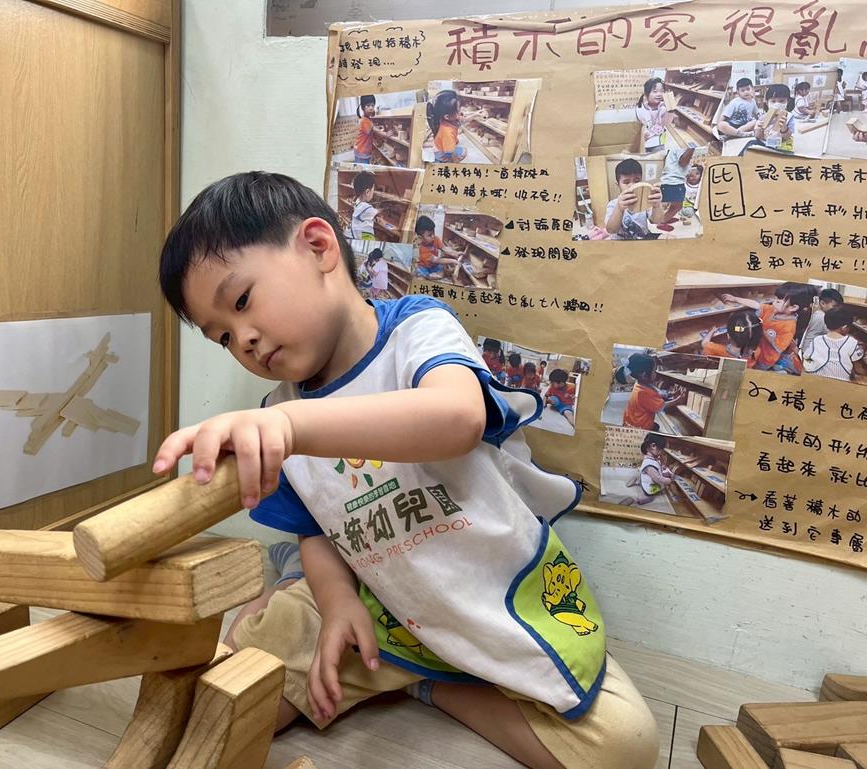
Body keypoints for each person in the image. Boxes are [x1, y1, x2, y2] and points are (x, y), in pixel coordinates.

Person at [154, 171, 658, 769]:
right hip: (372, 602)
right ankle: (355, 641)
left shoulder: (416, 329)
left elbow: (457, 419)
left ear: (318, 246)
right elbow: (316, 527)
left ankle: (430, 684)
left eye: (241, 303)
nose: (244, 340)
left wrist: (292, 427)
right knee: (232, 684)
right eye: (222, 337)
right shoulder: (278, 409)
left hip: (482, 591)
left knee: (625, 746)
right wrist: (336, 603)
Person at [721, 282, 814, 374]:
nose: (773, 302)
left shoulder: (789, 326)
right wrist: (735, 299)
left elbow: (778, 348)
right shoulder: (772, 309)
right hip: (756, 350)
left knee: (756, 370)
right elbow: (756, 304)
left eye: (778, 301)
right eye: (775, 299)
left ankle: (776, 370)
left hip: (766, 358)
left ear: (793, 307)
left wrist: (761, 329)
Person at [621, 354, 685, 432]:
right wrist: (677, 400)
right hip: (638, 428)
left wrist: (671, 394)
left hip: (631, 421)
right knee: (655, 430)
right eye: (654, 371)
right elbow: (661, 406)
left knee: (655, 426)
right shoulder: (643, 393)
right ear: (644, 375)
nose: (656, 373)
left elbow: (656, 392)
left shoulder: (639, 384)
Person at [604, 158, 665, 240]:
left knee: (669, 238)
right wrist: (619, 209)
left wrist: (657, 205)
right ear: (618, 185)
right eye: (626, 182)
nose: (632, 185)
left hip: (642, 238)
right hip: (620, 242)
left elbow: (657, 221)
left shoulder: (645, 200)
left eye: (637, 181)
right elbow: (611, 230)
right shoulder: (613, 204)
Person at [804, 307, 864, 382]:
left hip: (816, 380)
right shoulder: (852, 342)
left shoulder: (817, 339)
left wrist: (815, 365)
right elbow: (859, 369)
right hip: (841, 382)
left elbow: (806, 358)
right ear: (844, 327)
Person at [658, 118, 696, 229]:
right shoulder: (684, 144)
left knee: (673, 204)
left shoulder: (673, 140)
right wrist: (692, 148)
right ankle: (662, 222)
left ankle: (665, 217)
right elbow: (683, 162)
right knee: (678, 206)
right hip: (674, 181)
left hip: (668, 180)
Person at [427, 89, 484, 163]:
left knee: (455, 144)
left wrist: (476, 114)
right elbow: (449, 152)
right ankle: (442, 161)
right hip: (441, 153)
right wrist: (454, 161)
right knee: (463, 152)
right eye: (457, 110)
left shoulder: (448, 118)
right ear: (447, 116)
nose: (460, 112)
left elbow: (465, 119)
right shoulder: (447, 132)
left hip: (440, 147)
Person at [622, 433, 674, 506]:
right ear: (653, 446)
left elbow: (657, 469)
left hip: (646, 478)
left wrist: (664, 471)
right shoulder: (650, 466)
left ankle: (637, 481)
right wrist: (668, 480)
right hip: (649, 486)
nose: (662, 452)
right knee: (650, 497)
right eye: (661, 450)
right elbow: (658, 479)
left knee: (644, 479)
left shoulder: (651, 458)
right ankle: (635, 500)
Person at [745, 84, 795, 154]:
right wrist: (759, 128)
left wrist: (784, 127)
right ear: (767, 103)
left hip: (782, 145)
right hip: (765, 143)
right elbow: (758, 136)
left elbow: (787, 137)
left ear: (787, 102)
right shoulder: (763, 117)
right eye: (773, 101)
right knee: (751, 144)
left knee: (787, 154)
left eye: (782, 101)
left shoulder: (789, 117)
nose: (777, 104)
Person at [346, 171, 394, 241]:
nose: (373, 193)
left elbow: (365, 215)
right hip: (360, 236)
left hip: (354, 232)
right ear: (367, 192)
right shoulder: (365, 206)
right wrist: (386, 208)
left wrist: (373, 217)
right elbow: (378, 211)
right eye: (373, 190)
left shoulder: (357, 201)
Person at [413, 215, 461, 279]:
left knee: (441, 273)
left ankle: (431, 275)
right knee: (420, 276)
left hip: (435, 266)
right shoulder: (422, 249)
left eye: (433, 232)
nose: (433, 236)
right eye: (429, 235)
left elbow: (444, 248)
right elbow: (437, 260)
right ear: (421, 237)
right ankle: (427, 276)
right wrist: (453, 261)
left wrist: (454, 253)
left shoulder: (436, 239)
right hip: (424, 267)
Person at [801, 287, 843, 356]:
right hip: (810, 352)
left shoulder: (818, 313)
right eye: (835, 306)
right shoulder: (821, 317)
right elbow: (833, 334)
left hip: (810, 350)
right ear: (823, 303)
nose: (837, 309)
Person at [635, 77, 667, 152]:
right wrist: (647, 107)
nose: (659, 94)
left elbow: (665, 123)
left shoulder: (663, 106)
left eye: (662, 91)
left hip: (659, 140)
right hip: (645, 141)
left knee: (661, 154)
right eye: (655, 91)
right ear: (646, 93)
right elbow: (645, 122)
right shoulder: (641, 108)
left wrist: (670, 110)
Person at [353, 95, 376, 164]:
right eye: (368, 105)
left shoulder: (366, 119)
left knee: (361, 166)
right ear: (363, 108)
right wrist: (386, 134)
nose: (371, 108)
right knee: (362, 168)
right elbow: (373, 130)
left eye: (373, 105)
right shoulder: (365, 121)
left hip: (361, 149)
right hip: (361, 151)